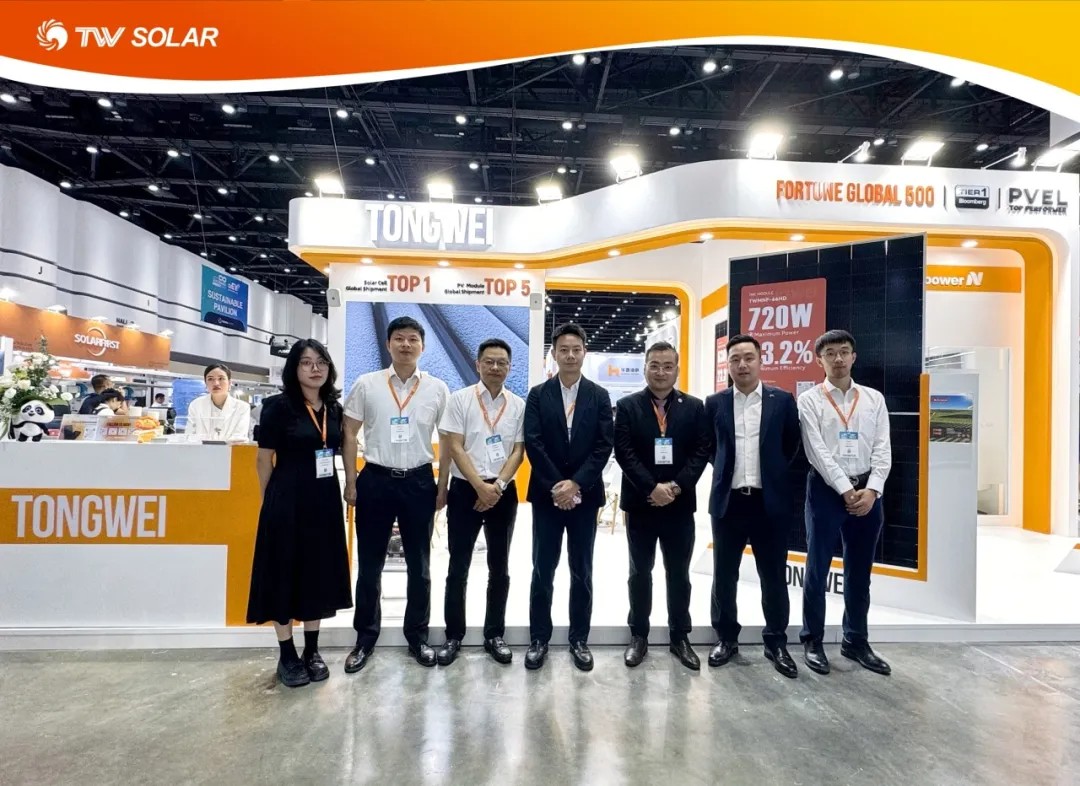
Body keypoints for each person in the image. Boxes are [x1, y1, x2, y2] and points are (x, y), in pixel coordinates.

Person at [342, 316, 451, 672]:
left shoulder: (437, 388)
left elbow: (448, 439)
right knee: (369, 565)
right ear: (388, 344)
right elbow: (349, 433)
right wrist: (351, 480)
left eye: (413, 339)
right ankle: (365, 638)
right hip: (375, 479)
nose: (406, 345)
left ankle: (417, 637)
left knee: (420, 566)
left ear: (423, 346)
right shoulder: (367, 384)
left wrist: (442, 485)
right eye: (399, 338)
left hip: (419, 481)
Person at [247, 339, 353, 688]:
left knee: (316, 573)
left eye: (321, 361)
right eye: (306, 362)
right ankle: (287, 654)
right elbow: (264, 459)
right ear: (294, 368)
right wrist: (269, 502)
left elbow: (339, 447)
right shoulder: (277, 407)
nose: (315, 368)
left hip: (324, 500)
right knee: (283, 573)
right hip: (287, 498)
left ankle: (312, 650)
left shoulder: (334, 408)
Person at [705, 335, 802, 678]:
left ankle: (776, 641)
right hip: (729, 502)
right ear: (727, 365)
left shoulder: (782, 401)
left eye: (748, 358)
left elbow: (792, 445)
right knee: (724, 575)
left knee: (773, 576)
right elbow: (709, 447)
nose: (742, 365)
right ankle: (726, 638)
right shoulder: (714, 403)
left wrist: (773, 476)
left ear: (761, 361)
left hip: (769, 503)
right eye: (735, 359)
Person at [798, 329, 893, 676]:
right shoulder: (809, 400)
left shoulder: (873, 399)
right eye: (830, 354)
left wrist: (873, 489)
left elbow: (883, 446)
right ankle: (812, 640)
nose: (838, 359)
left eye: (844, 352)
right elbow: (816, 451)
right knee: (817, 568)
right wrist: (843, 489)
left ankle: (855, 640)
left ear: (854, 356)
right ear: (819, 360)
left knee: (859, 571)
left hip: (867, 492)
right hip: (826, 492)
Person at [614, 341, 711, 670]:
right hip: (641, 504)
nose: (660, 372)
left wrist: (675, 487)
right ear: (645, 368)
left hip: (679, 505)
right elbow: (624, 452)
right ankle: (638, 635)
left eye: (667, 366)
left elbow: (701, 451)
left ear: (677, 370)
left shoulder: (694, 407)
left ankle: (679, 636)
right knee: (639, 572)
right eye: (654, 365)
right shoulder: (627, 406)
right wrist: (651, 488)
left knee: (679, 574)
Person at [523, 322, 613, 671]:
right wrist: (557, 486)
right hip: (547, 497)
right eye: (564, 349)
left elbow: (603, 446)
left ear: (584, 352)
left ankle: (579, 639)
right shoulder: (538, 394)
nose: (570, 355)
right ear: (554, 353)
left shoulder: (599, 395)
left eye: (576, 349)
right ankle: (539, 639)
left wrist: (575, 484)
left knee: (582, 570)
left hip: (585, 497)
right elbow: (534, 443)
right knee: (542, 569)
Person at [436, 338, 526, 666]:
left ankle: (494, 634)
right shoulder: (460, 400)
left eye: (502, 362)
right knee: (457, 565)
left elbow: (518, 451)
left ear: (509, 367)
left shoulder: (518, 405)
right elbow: (454, 447)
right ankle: (454, 635)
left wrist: (497, 486)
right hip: (465, 489)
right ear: (478, 364)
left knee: (499, 566)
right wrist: (479, 486)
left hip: (502, 492)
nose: (495, 367)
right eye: (489, 361)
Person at [184, 364, 251, 442]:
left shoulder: (242, 407)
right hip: (200, 449)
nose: (216, 383)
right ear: (205, 383)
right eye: (210, 379)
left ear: (229, 383)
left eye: (221, 378)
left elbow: (239, 438)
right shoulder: (196, 405)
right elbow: (189, 435)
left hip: (230, 450)